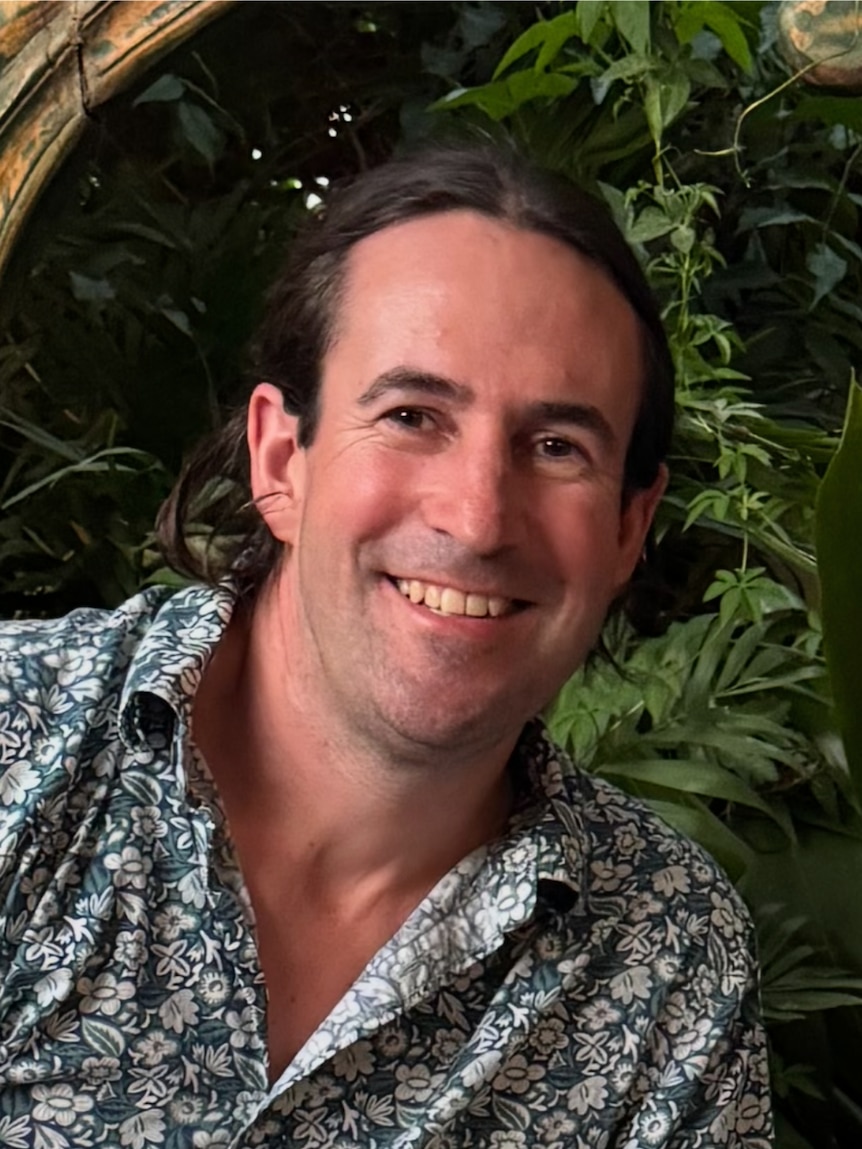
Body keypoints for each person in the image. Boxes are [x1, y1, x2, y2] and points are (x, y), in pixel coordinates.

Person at [0, 142, 771, 1148]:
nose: (477, 519)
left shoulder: (667, 958)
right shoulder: (21, 743)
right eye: (412, 415)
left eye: (557, 447)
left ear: (630, 525)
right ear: (282, 457)